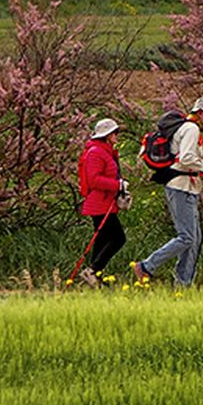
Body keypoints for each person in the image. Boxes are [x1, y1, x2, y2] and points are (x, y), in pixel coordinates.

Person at [132, 97, 203, 288]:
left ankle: (183, 283)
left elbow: (184, 160)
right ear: (201, 113)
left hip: (187, 186)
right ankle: (146, 267)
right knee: (187, 237)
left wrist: (202, 173)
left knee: (194, 238)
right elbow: (186, 158)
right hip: (180, 187)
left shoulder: (188, 128)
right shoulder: (191, 128)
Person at [77, 117, 129, 287]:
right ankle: (92, 271)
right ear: (107, 135)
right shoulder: (96, 153)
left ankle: (95, 276)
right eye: (115, 132)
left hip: (106, 202)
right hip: (99, 203)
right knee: (118, 238)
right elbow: (94, 180)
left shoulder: (105, 151)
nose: (117, 135)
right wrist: (117, 184)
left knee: (102, 239)